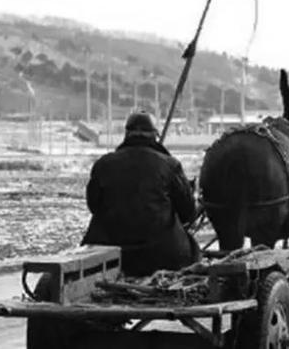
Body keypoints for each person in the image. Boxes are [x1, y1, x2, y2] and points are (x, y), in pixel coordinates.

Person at [80, 111, 200, 276]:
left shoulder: (103, 164)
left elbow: (93, 205)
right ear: (154, 136)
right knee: (194, 253)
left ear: (127, 135)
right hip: (161, 256)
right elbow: (188, 214)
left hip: (111, 253)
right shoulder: (170, 165)